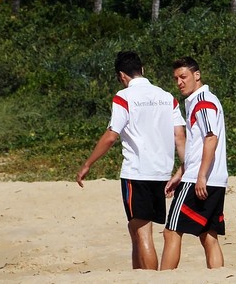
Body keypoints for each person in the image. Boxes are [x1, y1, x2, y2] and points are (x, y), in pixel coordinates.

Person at [76, 51, 186, 270]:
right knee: (137, 229)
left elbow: (111, 135)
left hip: (137, 173)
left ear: (122, 76)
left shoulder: (123, 97)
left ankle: (149, 278)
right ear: (142, 70)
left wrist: (88, 164)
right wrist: (185, 168)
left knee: (142, 232)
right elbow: (179, 136)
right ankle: (138, 276)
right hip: (162, 172)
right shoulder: (167, 96)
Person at [161, 57, 228, 270]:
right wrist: (179, 173)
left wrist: (200, 176)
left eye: (183, 77)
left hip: (200, 179)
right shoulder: (199, 101)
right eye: (176, 78)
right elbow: (197, 147)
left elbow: (211, 137)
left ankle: (163, 279)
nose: (179, 82)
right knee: (208, 235)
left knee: (171, 231)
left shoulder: (203, 102)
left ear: (196, 75)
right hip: (213, 178)